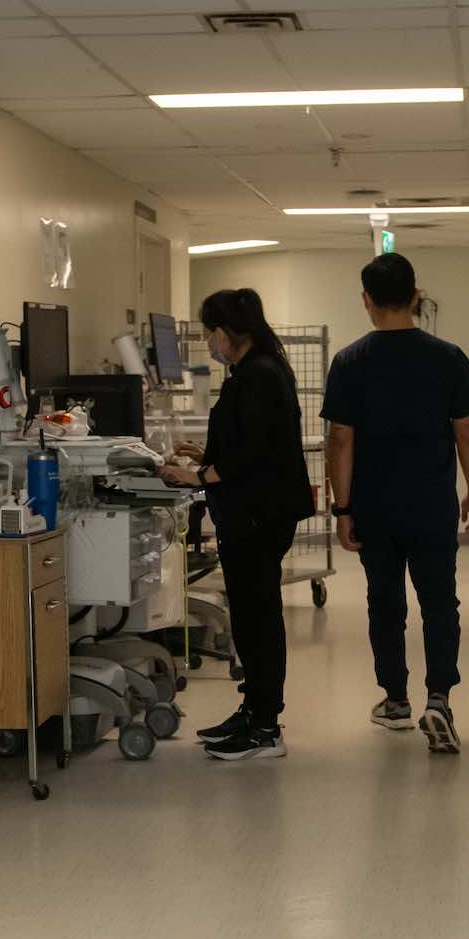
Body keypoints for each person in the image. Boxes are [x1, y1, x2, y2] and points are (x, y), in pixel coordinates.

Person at [321, 252, 469, 755]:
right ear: (416, 296)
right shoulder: (447, 357)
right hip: (432, 504)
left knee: (385, 602)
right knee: (440, 603)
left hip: (375, 508)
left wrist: (342, 508)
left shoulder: (349, 362)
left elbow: (340, 441)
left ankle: (395, 700)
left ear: (366, 301)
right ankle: (439, 699)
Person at [160, 288, 313, 762]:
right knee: (250, 619)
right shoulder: (253, 371)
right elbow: (246, 440)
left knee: (258, 619)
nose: (207, 343)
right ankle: (254, 712)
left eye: (209, 333)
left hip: (257, 515)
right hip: (254, 511)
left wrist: (198, 476)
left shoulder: (260, 376)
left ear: (226, 332)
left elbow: (255, 453)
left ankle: (265, 726)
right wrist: (206, 457)